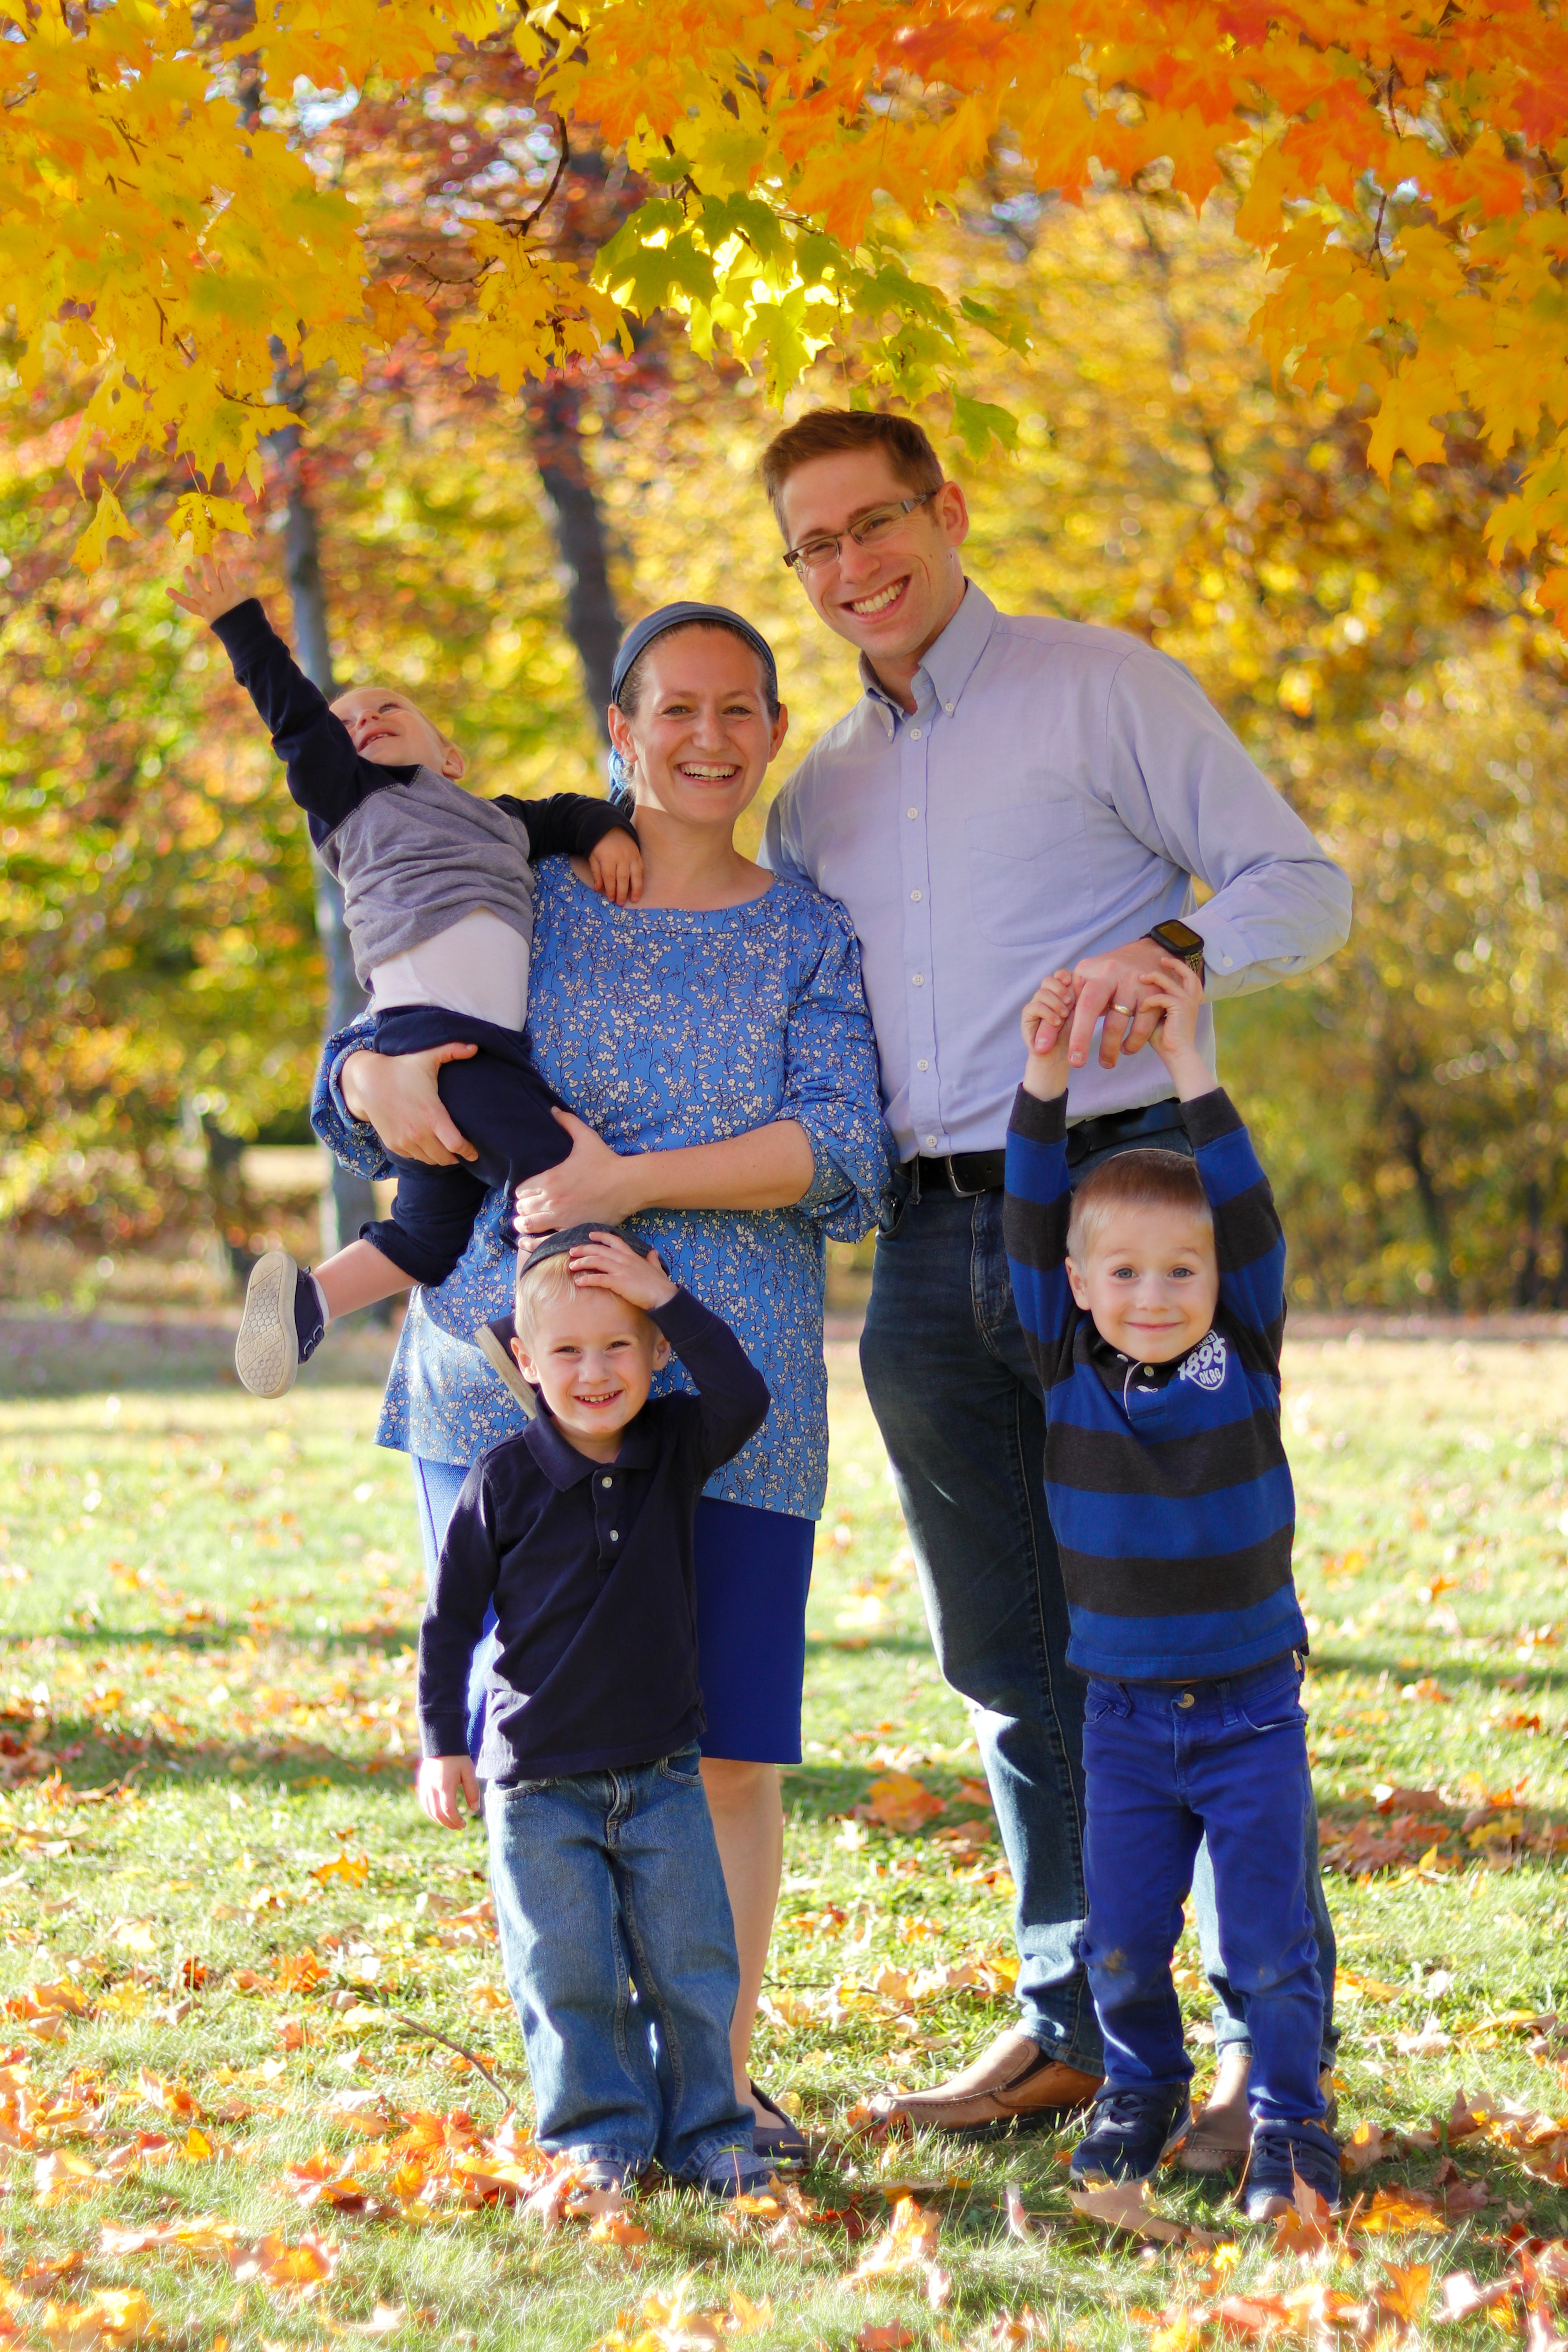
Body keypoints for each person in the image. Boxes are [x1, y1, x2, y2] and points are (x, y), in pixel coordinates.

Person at [758, 406, 1353, 2147]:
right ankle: (1077, 2024)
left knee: (1203, 1643)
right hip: (933, 1242)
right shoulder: (818, 796)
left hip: (1129, 1223)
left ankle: (1264, 2058)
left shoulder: (1106, 690)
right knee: (1013, 1648)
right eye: (815, 546)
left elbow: (1300, 885)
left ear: (947, 511)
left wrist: (1166, 945)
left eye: (878, 523)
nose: (853, 567)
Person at [309, 602, 889, 2162]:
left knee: (726, 1751)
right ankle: (586, 2100)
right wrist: (368, 1083)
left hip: (726, 1398)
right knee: (541, 1758)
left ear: (773, 734)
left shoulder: (808, 932)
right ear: (615, 737)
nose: (708, 737)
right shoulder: (537, 889)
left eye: (739, 710)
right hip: (504, 1389)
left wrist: (631, 1181)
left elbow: (842, 1150)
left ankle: (720, 2078)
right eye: (672, 711)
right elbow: (375, 1056)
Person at [1003, 956, 1337, 2216]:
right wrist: (1042, 1078)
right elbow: (1029, 1209)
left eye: (1181, 1273)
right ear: (1081, 1287)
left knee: (1265, 1945)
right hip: (1126, 1721)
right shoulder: (1065, 1367)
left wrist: (1190, 1065)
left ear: (1218, 1283)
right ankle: (1138, 2090)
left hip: (1250, 1708)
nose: (1154, 1297)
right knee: (1122, 1939)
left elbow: (1243, 1212)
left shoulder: (1240, 1349)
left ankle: (1290, 2126)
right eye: (1124, 1274)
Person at [170, 555, 642, 1399]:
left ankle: (309, 1299)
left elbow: (569, 810)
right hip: (432, 1043)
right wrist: (242, 620)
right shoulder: (355, 804)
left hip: (479, 1054)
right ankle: (528, 1327)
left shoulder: (500, 821)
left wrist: (606, 831)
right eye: (346, 718)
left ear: (451, 754)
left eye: (387, 707)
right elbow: (295, 721)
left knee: (430, 1232)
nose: (361, 721)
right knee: (556, 1165)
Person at [418, 1223, 773, 2197]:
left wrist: (664, 1298)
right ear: (526, 1361)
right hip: (536, 1783)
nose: (594, 1371)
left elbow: (746, 1392)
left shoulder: (675, 1445)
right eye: (566, 1351)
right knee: (567, 1972)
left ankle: (709, 2131)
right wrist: (443, 1743)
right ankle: (597, 2138)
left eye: (619, 1345)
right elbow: (448, 1622)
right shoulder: (502, 1480)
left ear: (656, 1355)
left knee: (692, 1965)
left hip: (661, 1769)